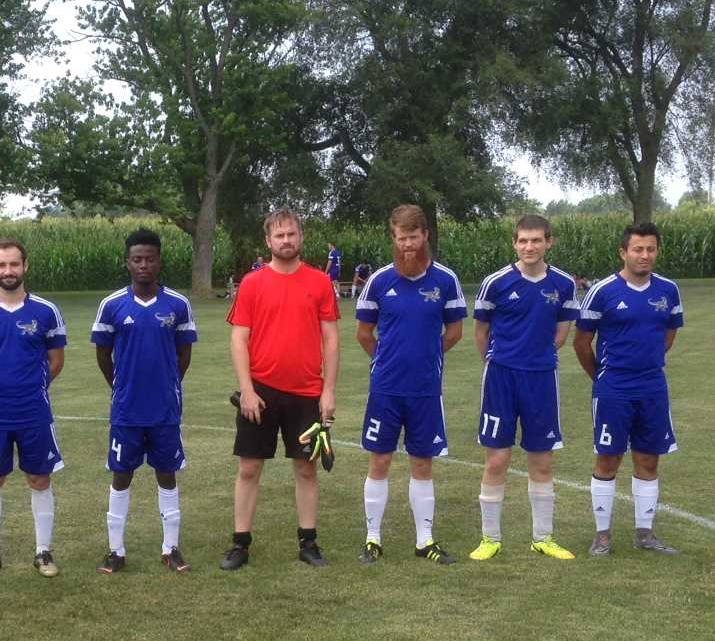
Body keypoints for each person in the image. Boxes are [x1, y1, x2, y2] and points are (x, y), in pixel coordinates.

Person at [222, 208, 340, 569]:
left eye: (291, 234)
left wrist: (328, 391)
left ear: (301, 237)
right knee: (249, 469)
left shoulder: (319, 282)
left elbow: (331, 340)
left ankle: (308, 542)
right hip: (260, 392)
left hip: (306, 393)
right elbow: (239, 339)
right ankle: (240, 544)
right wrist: (246, 389)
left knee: (306, 468)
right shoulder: (252, 283)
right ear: (268, 241)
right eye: (279, 235)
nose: (286, 240)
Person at [355, 205, 467, 566]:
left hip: (425, 389)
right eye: (401, 238)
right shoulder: (379, 281)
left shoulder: (445, 280)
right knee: (380, 459)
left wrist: (428, 354)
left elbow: (455, 331)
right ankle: (373, 538)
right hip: (386, 389)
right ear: (394, 238)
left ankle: (425, 540)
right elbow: (364, 332)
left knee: (423, 462)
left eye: (413, 237)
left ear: (425, 235)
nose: (407, 245)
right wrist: (386, 359)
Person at [470, 214, 580, 560]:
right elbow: (481, 333)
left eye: (536, 240)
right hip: (501, 377)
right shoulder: (495, 283)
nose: (529, 247)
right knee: (497, 459)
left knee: (542, 459)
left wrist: (538, 355)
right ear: (514, 243)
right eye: (523, 241)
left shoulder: (563, 284)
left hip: (541, 378)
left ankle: (542, 538)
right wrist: (499, 360)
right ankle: (490, 538)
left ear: (549, 242)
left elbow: (561, 332)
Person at [0, 239, 67, 577]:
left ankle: (43, 552)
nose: (8, 271)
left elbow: (56, 360)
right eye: (2, 265)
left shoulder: (46, 311)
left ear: (25, 266)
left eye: (14, 264)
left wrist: (33, 387)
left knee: (39, 478)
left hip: (34, 412)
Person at [573, 221, 683, 557]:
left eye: (650, 249)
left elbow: (668, 334)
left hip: (652, 387)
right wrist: (602, 377)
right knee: (608, 459)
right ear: (623, 252)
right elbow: (581, 342)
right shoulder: (602, 291)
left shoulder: (668, 290)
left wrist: (647, 361)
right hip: (613, 388)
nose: (644, 255)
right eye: (637, 249)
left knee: (649, 459)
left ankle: (645, 534)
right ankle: (602, 535)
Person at [91, 229, 198, 574]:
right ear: (128, 263)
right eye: (137, 259)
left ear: (159, 262)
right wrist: (120, 386)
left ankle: (171, 548)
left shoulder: (177, 304)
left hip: (165, 409)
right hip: (127, 410)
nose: (143, 265)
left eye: (149, 259)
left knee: (167, 474)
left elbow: (184, 354)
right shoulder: (112, 305)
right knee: (121, 474)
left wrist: (168, 384)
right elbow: (103, 355)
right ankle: (115, 550)